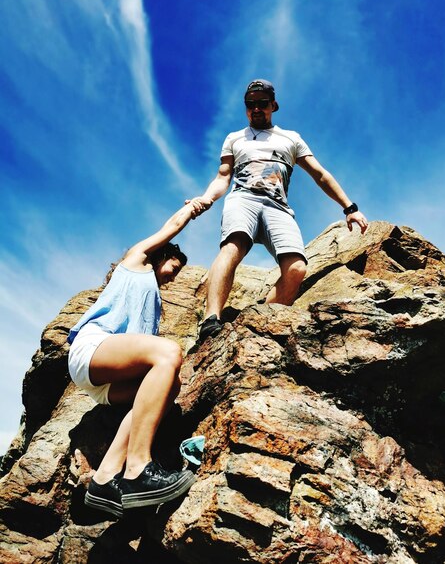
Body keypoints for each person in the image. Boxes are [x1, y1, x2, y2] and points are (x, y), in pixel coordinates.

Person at [192, 79, 368, 343]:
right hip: (243, 199)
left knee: (296, 268)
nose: (256, 109)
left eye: (262, 103)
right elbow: (222, 176)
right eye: (250, 104)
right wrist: (207, 198)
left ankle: (257, 324)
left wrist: (349, 207)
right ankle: (211, 320)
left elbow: (319, 174)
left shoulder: (291, 138)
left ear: (273, 105)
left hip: (278, 206)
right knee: (232, 247)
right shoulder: (234, 138)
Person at [67, 199, 208, 517]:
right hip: (92, 350)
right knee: (169, 352)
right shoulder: (136, 263)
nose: (175, 275)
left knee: (169, 385)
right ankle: (138, 467)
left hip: (107, 384)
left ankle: (104, 479)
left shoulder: (154, 299)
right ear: (163, 256)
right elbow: (170, 228)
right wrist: (194, 208)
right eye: (175, 266)